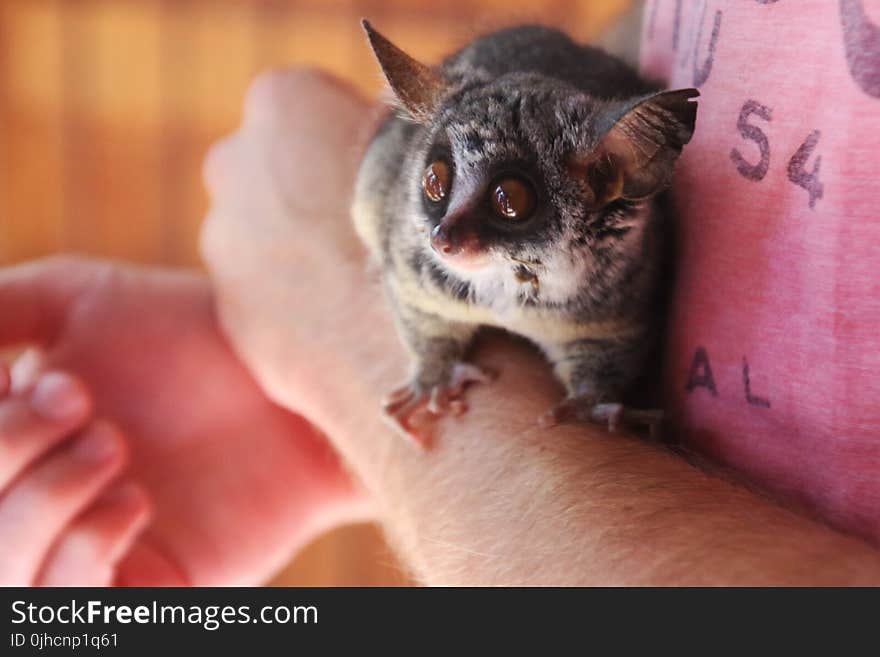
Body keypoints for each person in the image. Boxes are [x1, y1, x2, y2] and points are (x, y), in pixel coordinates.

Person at [2, 2, 880, 585]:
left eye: (506, 200)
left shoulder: (607, 232)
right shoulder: (454, 215)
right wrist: (294, 392)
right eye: (436, 188)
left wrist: (349, 337)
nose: (447, 230)